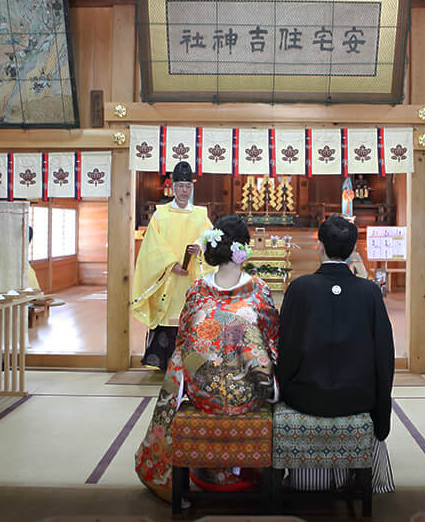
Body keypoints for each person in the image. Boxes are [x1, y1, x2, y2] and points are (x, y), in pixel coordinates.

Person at [134, 215, 278, 501]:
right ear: (243, 249)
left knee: (187, 352)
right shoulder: (258, 290)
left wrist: (209, 363)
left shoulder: (198, 289)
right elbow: (272, 343)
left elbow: (184, 340)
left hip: (202, 393)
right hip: (248, 394)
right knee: (264, 359)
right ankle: (249, 470)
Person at [276, 214, 395, 490]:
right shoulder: (369, 292)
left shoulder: (299, 289)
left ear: (320, 247)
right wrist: (381, 412)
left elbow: (286, 350)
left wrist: (283, 389)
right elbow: (384, 356)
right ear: (353, 250)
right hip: (357, 397)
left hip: (305, 396)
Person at [131, 161, 214, 370]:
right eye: (180, 186)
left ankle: (192, 366)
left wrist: (200, 248)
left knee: (192, 317)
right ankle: (165, 365)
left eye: (188, 186)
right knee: (168, 319)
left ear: (191, 188)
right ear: (173, 187)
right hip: (168, 277)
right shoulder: (161, 213)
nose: (184, 191)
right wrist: (171, 264)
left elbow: (210, 238)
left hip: (192, 275)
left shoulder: (200, 214)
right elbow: (153, 245)